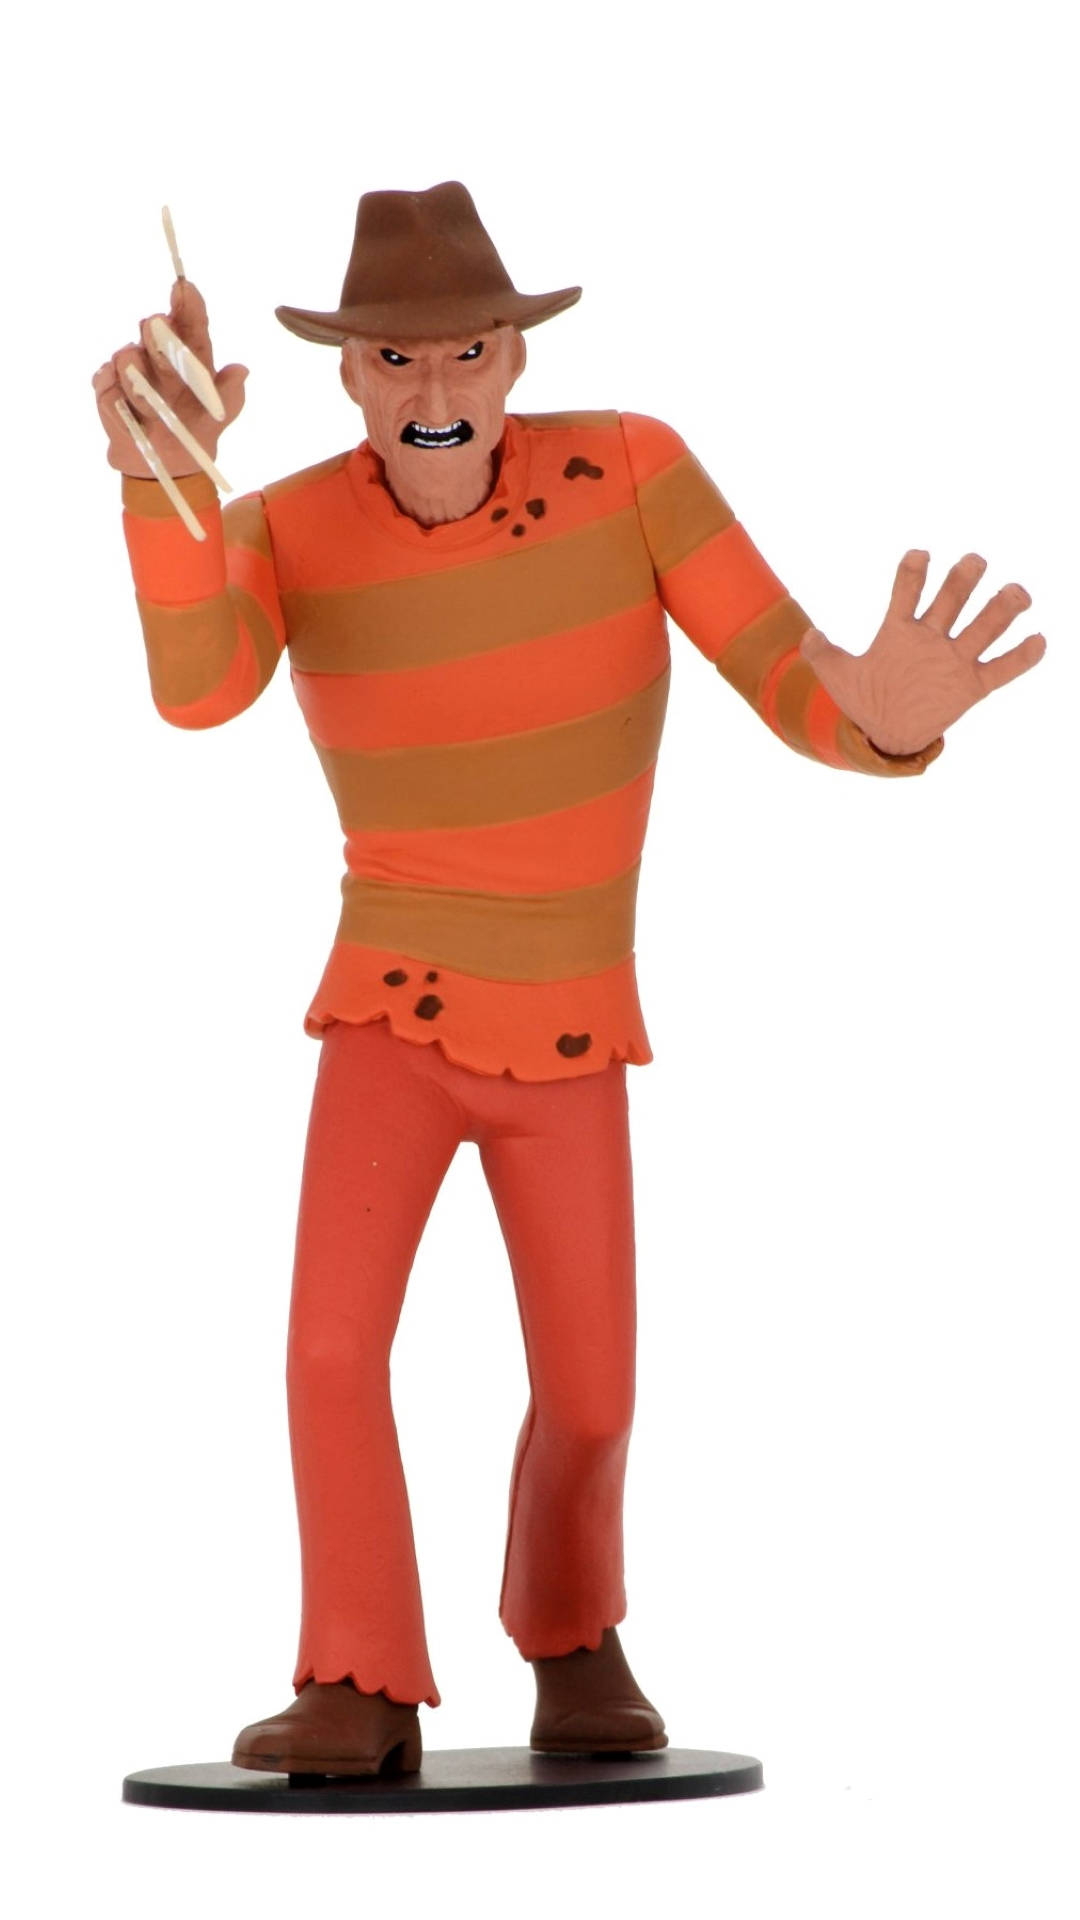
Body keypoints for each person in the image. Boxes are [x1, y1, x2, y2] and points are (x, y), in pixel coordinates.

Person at [93, 180, 1045, 1779]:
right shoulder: (289, 525)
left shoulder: (634, 473)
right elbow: (200, 692)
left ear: (514, 357)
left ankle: (571, 1630)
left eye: (467, 351)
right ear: (349, 377)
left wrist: (878, 720)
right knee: (329, 1355)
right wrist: (165, 487)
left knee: (594, 1394)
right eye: (399, 360)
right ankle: (358, 1677)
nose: (436, 389)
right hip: (389, 1011)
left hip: (573, 1026)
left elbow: (788, 671)